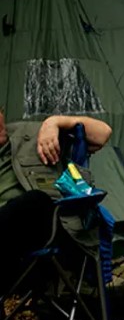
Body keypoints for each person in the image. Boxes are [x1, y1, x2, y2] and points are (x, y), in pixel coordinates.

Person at [0, 110, 112, 289]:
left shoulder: (33, 134)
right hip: (10, 261)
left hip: (52, 235)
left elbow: (102, 133)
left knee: (34, 202)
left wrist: (54, 122)